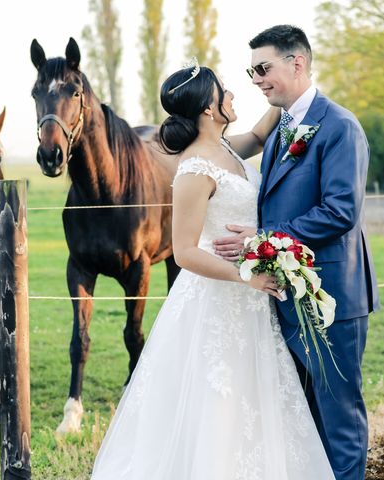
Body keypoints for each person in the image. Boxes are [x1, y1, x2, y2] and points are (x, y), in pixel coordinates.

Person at [90, 61, 335, 479]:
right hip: (217, 298)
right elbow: (184, 252)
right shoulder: (194, 169)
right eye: (225, 90)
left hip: (250, 302)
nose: (235, 95)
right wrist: (248, 276)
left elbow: (259, 134)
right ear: (208, 107)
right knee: (217, 404)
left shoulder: (226, 149)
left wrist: (294, 88)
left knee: (253, 400)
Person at [215, 25, 379, 480]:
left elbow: (340, 211)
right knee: (303, 417)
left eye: (263, 68)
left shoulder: (340, 126)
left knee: (338, 416)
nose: (256, 79)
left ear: (297, 63)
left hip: (332, 298)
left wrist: (263, 237)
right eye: (252, 70)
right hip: (286, 295)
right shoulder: (284, 125)